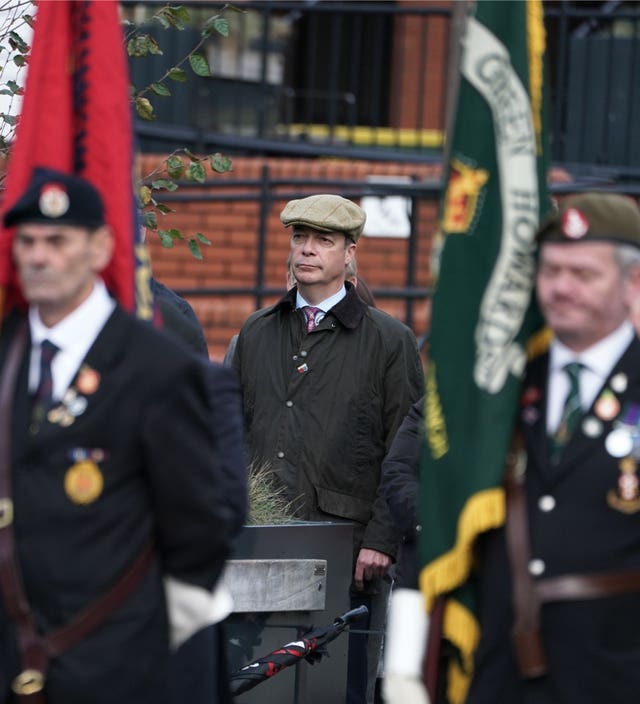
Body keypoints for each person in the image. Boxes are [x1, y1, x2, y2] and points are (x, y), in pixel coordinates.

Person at [0, 167, 246, 704]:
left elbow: (199, 525)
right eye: (29, 241)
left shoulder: (156, 366)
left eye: (58, 241)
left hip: (117, 665)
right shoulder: (9, 352)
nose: (40, 256)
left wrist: (152, 640)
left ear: (101, 247)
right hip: (14, 655)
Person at [231, 193, 424, 704]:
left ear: (349, 253)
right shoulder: (256, 332)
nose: (308, 250)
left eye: (324, 240)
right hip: (260, 545)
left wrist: (382, 540)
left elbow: (403, 449)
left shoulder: (389, 340)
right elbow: (227, 434)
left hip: (348, 551)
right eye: (300, 238)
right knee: (254, 686)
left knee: (335, 687)